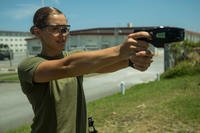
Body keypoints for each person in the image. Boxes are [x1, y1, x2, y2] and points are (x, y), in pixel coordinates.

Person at [18, 6, 153, 133]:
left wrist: (131, 61)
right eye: (55, 29)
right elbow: (66, 67)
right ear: (37, 32)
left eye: (65, 29)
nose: (62, 34)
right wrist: (119, 51)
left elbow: (101, 65)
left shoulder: (75, 58)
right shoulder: (28, 66)